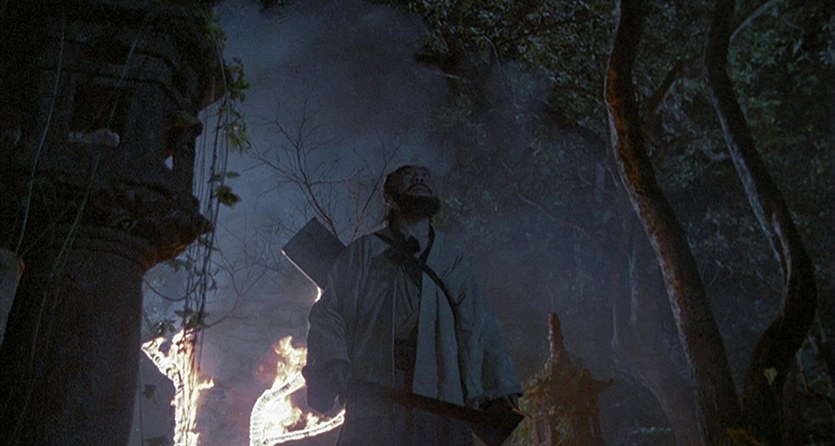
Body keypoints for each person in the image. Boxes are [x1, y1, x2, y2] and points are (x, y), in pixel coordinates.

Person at [302, 165, 521, 446]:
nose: (419, 178)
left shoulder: (452, 256)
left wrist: (498, 386)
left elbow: (479, 321)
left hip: (441, 396)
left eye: (425, 176)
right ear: (387, 196)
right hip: (375, 396)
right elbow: (330, 313)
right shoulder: (364, 253)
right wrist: (332, 364)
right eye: (408, 175)